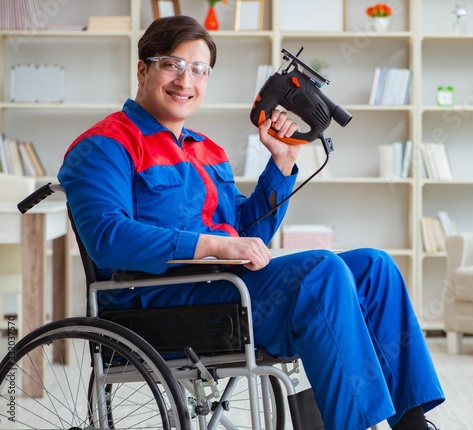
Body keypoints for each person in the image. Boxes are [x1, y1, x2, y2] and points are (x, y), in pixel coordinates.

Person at [58, 15, 445, 430]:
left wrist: (281, 163)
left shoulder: (207, 150)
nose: (185, 80)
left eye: (200, 69)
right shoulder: (103, 146)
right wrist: (214, 245)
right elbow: (107, 237)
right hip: (158, 305)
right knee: (322, 271)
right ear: (143, 68)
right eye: (173, 64)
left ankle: (412, 425)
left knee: (375, 267)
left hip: (227, 290)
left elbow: (248, 236)